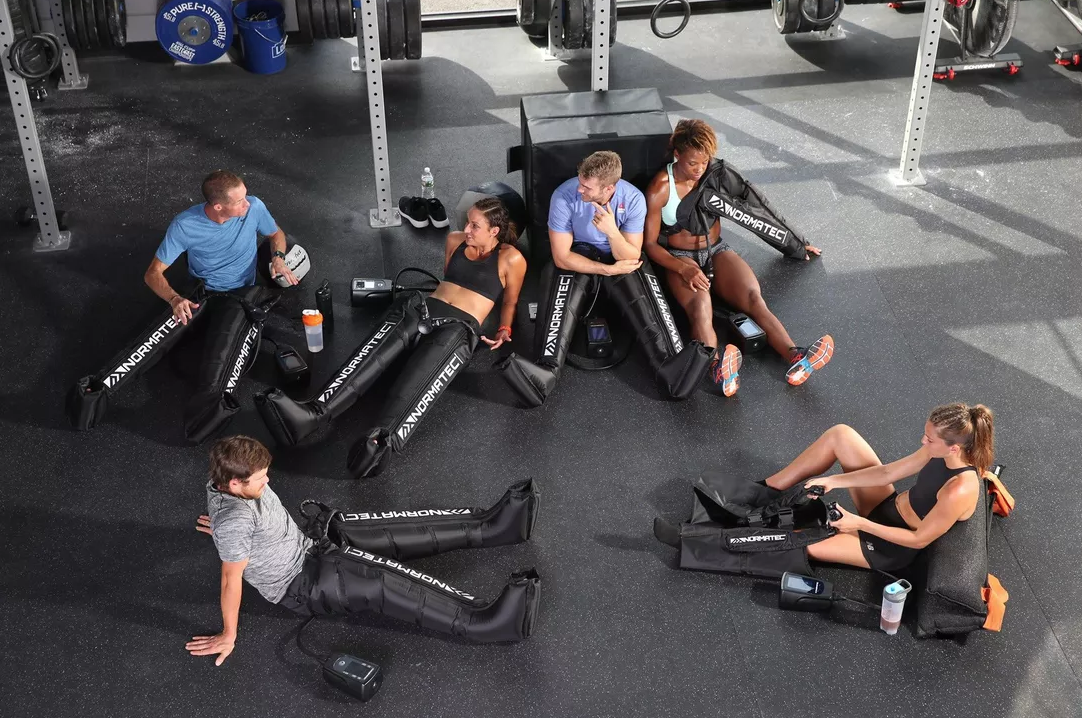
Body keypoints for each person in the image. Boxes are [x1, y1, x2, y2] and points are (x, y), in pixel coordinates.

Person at [187, 436, 540, 666]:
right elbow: (230, 582)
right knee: (380, 581)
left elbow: (236, 522)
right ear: (235, 483)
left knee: (386, 531)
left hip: (310, 545)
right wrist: (228, 633)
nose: (268, 481)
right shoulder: (234, 521)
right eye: (261, 479)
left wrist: (227, 535)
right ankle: (488, 622)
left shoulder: (226, 484)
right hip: (301, 582)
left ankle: (496, 525)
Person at [256, 197, 528, 479]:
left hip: (458, 326)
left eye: (474, 225)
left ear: (494, 230)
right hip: (423, 308)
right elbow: (449, 279)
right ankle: (313, 413)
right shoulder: (455, 240)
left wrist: (504, 329)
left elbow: (510, 301)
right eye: (467, 222)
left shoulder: (511, 259)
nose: (466, 229)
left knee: (419, 380)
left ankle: (382, 440)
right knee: (371, 353)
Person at [497, 151, 712, 406]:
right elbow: (562, 257)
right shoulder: (564, 196)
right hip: (579, 254)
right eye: (580, 182)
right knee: (556, 275)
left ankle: (670, 365)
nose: (580, 189)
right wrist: (606, 270)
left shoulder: (632, 199)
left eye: (586, 187)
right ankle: (545, 371)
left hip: (618, 253)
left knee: (638, 272)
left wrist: (612, 232)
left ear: (609, 188)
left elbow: (631, 254)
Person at [643, 120, 834, 397]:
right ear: (677, 155)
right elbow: (649, 244)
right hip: (680, 257)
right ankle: (717, 369)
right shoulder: (660, 188)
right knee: (701, 307)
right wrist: (682, 269)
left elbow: (757, 204)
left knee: (754, 298)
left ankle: (796, 356)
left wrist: (797, 241)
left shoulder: (717, 173)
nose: (699, 169)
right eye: (692, 163)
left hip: (716, 249)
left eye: (704, 162)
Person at [761, 403, 994, 572]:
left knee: (790, 543)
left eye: (930, 440)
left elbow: (918, 539)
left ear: (954, 448)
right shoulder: (938, 450)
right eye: (926, 435)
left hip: (890, 546)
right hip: (887, 507)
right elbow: (887, 473)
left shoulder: (959, 489)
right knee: (841, 435)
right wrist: (833, 480)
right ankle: (766, 489)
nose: (923, 441)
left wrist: (859, 523)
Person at [145, 170, 299, 326]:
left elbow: (276, 233)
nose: (247, 203)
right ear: (218, 207)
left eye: (245, 196)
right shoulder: (184, 226)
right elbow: (152, 273)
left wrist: (278, 258)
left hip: (247, 288)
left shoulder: (254, 207)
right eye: (239, 201)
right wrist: (174, 299)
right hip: (207, 293)